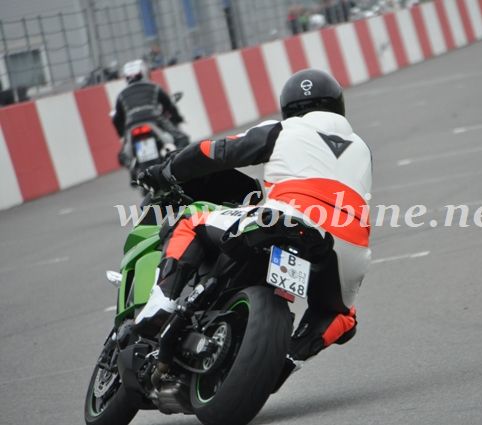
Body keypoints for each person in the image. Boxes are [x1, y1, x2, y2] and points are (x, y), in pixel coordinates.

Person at [134, 68, 372, 388]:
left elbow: (214, 153)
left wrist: (164, 171)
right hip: (349, 246)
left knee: (192, 220)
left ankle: (162, 302)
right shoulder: (362, 148)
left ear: (288, 108)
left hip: (286, 218)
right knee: (342, 316)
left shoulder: (282, 130)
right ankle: (287, 360)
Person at [112, 59, 189, 166]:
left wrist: (122, 135)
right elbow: (169, 105)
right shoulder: (154, 87)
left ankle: (132, 168)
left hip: (131, 124)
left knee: (124, 155)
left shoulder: (121, 95)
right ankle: (182, 165)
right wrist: (178, 118)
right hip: (154, 119)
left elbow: (117, 118)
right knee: (182, 138)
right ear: (144, 73)